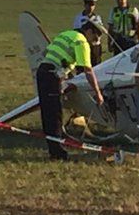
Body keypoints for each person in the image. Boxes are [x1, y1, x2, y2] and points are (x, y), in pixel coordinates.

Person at [35, 21, 105, 161]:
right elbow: (87, 70)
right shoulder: (81, 41)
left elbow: (53, 54)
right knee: (55, 114)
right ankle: (57, 152)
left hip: (43, 71)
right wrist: (97, 93)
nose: (94, 41)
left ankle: (54, 148)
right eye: (95, 37)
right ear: (89, 31)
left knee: (47, 112)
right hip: (52, 75)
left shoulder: (67, 34)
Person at [72, 0, 104, 66]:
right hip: (83, 45)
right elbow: (76, 32)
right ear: (85, 5)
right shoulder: (78, 17)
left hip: (95, 46)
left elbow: (101, 31)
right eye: (89, 5)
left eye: (93, 5)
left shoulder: (97, 18)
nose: (91, 8)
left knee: (96, 65)